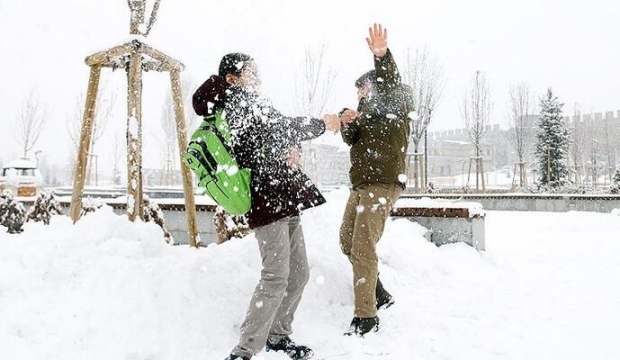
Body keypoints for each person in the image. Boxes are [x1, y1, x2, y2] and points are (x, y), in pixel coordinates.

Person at [193, 53, 340, 360]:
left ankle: (278, 336)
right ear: (233, 78)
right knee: (275, 275)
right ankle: (243, 351)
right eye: (250, 71)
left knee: (299, 273)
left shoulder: (253, 101)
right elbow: (276, 129)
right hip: (266, 199)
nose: (257, 75)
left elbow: (275, 135)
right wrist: (320, 125)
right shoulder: (235, 102)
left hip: (284, 196)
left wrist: (292, 149)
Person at [337, 23, 413, 336]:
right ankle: (379, 292)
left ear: (376, 85)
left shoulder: (396, 100)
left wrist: (381, 55)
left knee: (363, 247)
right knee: (347, 241)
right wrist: (346, 119)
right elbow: (350, 138)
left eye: (362, 89)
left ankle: (366, 317)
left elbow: (391, 82)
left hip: (383, 184)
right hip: (362, 185)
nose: (359, 95)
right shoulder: (366, 113)